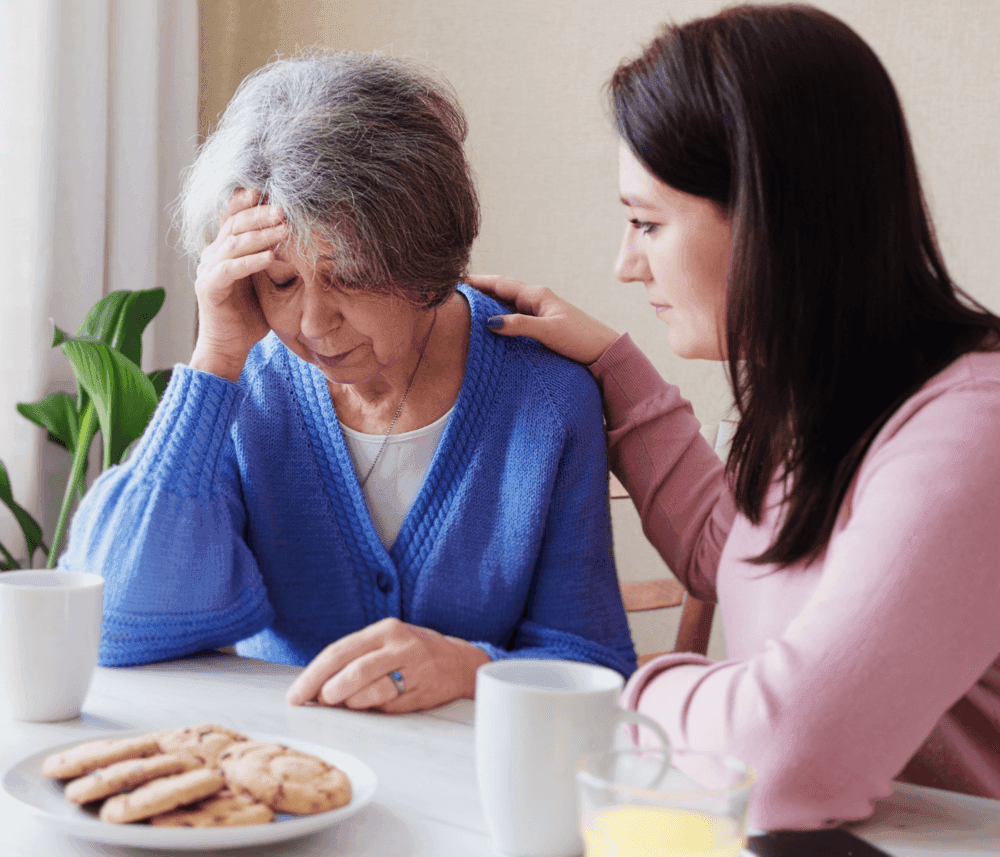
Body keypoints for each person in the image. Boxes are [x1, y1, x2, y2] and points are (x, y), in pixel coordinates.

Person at [470, 2, 1000, 831]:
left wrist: (606, 690)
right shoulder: (828, 396)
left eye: (647, 222)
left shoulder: (974, 433)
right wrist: (614, 368)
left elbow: (784, 755)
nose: (623, 262)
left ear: (771, 216)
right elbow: (736, 556)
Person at [58, 51, 636, 713]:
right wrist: (214, 357)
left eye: (350, 274)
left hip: (463, 790)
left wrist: (474, 667)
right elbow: (113, 622)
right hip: (274, 779)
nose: (312, 322)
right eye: (279, 281)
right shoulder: (247, 387)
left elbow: (596, 667)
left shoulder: (546, 399)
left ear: (422, 252)